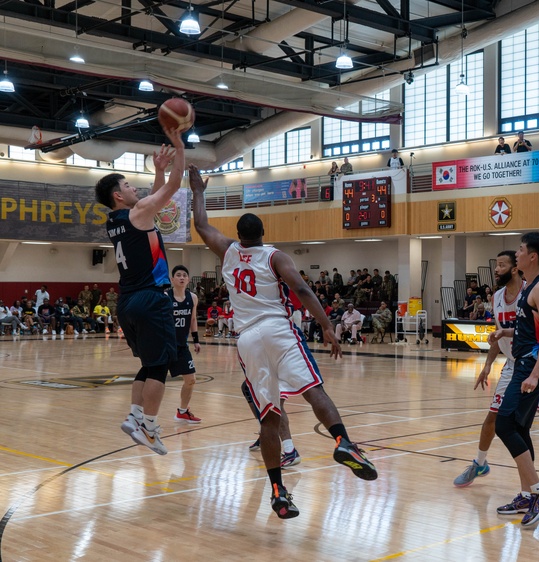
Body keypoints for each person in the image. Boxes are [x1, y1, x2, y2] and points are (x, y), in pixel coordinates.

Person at [189, 165, 377, 519]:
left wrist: (198, 190)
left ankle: (277, 491)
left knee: (269, 416)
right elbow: (303, 290)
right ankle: (343, 443)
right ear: (263, 233)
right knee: (312, 389)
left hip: (246, 340)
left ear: (239, 235)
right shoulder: (274, 256)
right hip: (277, 329)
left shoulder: (227, 251)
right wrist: (325, 326)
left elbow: (201, 225)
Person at [454, 250, 539, 503]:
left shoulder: (536, 291)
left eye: (501, 265)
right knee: (495, 419)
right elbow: (500, 335)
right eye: (496, 265)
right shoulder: (497, 297)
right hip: (512, 366)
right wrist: (487, 366)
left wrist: (536, 353)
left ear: (515, 268)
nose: (496, 269)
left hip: (537, 363)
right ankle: (480, 463)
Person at [97, 128, 186, 455]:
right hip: (152, 298)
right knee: (160, 366)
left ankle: (135, 417)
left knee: (149, 365)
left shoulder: (115, 221)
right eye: (127, 185)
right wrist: (179, 145)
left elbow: (155, 198)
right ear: (119, 195)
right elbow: (175, 188)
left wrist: (159, 170)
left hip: (128, 302)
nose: (133, 188)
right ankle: (149, 426)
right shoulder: (139, 213)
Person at [488, 233, 539, 527]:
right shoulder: (529, 286)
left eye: (520, 249)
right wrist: (504, 333)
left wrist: (533, 374)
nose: (515, 253)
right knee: (518, 426)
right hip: (523, 363)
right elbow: (530, 330)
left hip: (532, 367)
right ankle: (527, 494)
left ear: (532, 256)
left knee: (504, 424)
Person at [166, 265, 203, 423]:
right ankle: (142, 415)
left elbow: (193, 320)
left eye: (184, 275)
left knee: (191, 379)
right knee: (155, 380)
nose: (182, 277)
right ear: (172, 279)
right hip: (164, 345)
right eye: (178, 275)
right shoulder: (165, 296)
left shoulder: (192, 297)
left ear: (188, 279)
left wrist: (196, 340)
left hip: (181, 345)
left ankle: (182, 411)